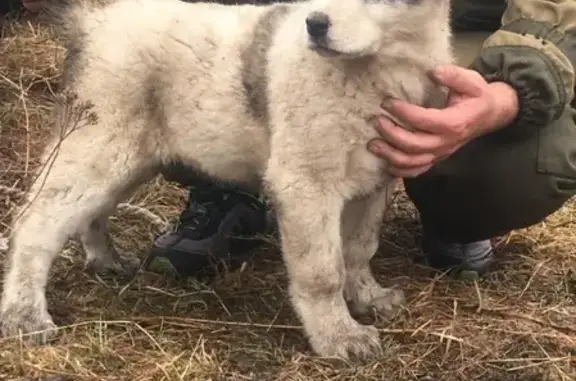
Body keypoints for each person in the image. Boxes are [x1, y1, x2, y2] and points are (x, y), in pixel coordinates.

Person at [143, 0, 575, 278]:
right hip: (301, 22)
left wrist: (509, 92)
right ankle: (232, 186)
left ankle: (456, 208)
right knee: (191, 78)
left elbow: (554, 11)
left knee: (522, 166)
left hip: (462, 33)